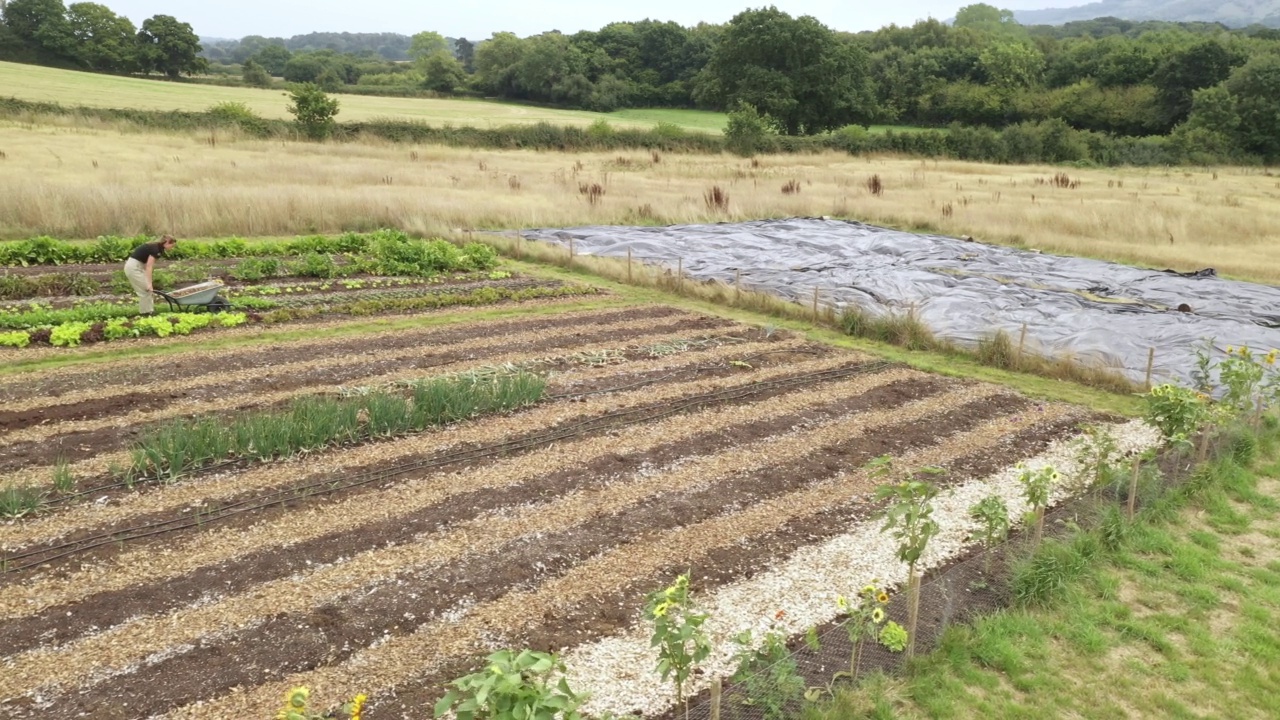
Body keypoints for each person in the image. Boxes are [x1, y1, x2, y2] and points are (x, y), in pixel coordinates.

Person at [123, 235, 176, 315]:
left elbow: (145, 264)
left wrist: (148, 280)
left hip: (138, 266)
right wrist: (149, 283)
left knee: (147, 290)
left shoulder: (158, 248)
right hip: (133, 267)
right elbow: (149, 266)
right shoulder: (155, 249)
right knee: (146, 290)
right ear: (167, 242)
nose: (172, 248)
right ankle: (146, 313)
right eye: (172, 245)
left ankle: (148, 311)